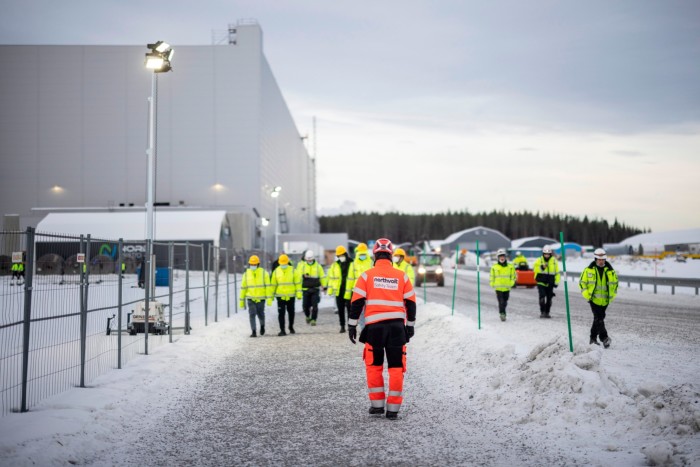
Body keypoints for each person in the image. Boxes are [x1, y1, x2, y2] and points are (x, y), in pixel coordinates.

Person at [348, 238, 417, 420]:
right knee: (396, 368)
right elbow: (411, 303)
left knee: (374, 366)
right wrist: (410, 326)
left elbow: (356, 302)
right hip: (396, 328)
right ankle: (393, 409)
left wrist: (352, 325)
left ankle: (377, 406)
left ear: (375, 255)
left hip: (374, 329)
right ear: (391, 255)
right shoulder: (401, 276)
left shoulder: (366, 276)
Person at [579, 248, 618, 348]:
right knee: (599, 319)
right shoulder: (588, 270)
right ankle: (604, 338)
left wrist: (612, 296)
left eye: (603, 259)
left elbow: (615, 285)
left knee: (598, 319)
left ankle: (592, 338)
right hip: (594, 299)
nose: (601, 261)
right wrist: (588, 295)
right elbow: (582, 283)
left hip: (605, 300)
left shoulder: (611, 271)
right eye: (599, 259)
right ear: (595, 259)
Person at [239, 255, 272, 337]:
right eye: (251, 264)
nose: (253, 266)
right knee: (252, 314)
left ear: (258, 264)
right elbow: (243, 288)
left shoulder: (264, 273)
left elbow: (268, 287)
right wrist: (241, 301)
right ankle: (253, 331)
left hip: (261, 298)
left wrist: (269, 299)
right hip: (250, 298)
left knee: (260, 314)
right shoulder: (246, 274)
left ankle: (262, 326)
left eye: (255, 264)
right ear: (249, 264)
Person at [270, 254, 301, 336]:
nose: (283, 265)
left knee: (291, 312)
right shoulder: (276, 271)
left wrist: (299, 294)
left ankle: (291, 326)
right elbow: (273, 285)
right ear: (279, 263)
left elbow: (297, 283)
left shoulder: (293, 271)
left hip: (291, 296)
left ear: (288, 262)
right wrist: (271, 296)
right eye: (282, 263)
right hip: (280, 296)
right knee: (281, 313)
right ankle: (282, 330)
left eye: (285, 263)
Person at [296, 250, 327, 326]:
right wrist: (303, 276)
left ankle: (313, 319)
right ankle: (307, 316)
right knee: (305, 306)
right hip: (305, 289)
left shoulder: (318, 266)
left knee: (315, 306)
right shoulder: (302, 266)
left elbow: (322, 277)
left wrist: (325, 286)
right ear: (306, 259)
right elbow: (298, 277)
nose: (309, 260)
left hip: (315, 289)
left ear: (313, 258)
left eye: (310, 259)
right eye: (308, 259)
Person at [327, 245, 352, 333]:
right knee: (340, 309)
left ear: (345, 254)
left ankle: (350, 325)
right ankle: (342, 326)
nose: (341, 257)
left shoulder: (352, 263)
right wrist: (329, 290)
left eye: (342, 255)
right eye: (339, 256)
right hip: (339, 290)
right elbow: (331, 278)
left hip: (349, 290)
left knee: (350, 309)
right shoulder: (335, 265)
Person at [533, 246, 560, 318]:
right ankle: (542, 312)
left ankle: (547, 312)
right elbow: (535, 269)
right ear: (543, 254)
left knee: (549, 298)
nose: (547, 255)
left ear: (550, 254)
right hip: (541, 282)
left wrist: (556, 282)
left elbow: (557, 273)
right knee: (542, 297)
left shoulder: (554, 261)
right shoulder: (539, 260)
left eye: (548, 254)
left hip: (550, 282)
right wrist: (542, 267)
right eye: (545, 254)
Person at [489, 248, 516, 321]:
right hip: (498, 288)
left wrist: (511, 283)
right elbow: (492, 276)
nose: (502, 258)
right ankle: (502, 314)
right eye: (500, 256)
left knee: (505, 302)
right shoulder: (494, 267)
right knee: (501, 302)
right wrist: (492, 283)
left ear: (505, 257)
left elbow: (513, 276)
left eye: (503, 256)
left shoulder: (510, 266)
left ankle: (502, 311)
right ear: (498, 257)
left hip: (507, 288)